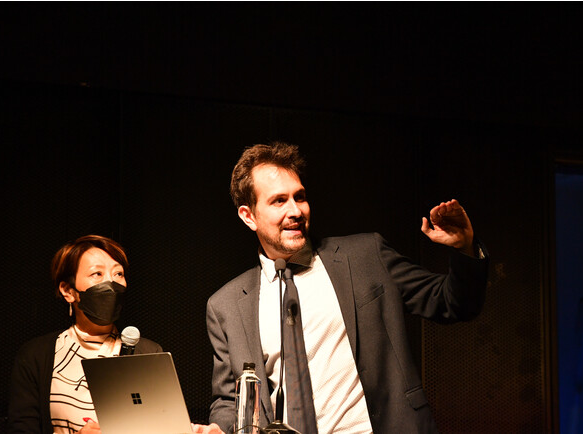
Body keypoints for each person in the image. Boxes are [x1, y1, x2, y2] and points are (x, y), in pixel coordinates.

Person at [205, 142, 489, 434]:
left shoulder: (366, 256)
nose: (296, 211)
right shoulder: (225, 306)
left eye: (299, 197)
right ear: (248, 215)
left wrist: (465, 248)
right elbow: (229, 400)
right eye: (279, 201)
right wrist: (219, 428)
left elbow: (453, 303)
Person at [7, 235, 163, 434]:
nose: (111, 283)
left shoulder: (149, 352)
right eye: (97, 274)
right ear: (68, 291)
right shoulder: (36, 355)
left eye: (118, 274)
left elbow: (162, 422)